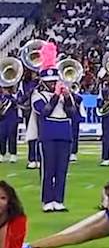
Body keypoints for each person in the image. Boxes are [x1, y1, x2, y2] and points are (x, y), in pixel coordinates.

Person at [31, 43, 76, 212]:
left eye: (54, 82)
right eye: (49, 82)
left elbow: (73, 113)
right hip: (48, 135)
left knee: (61, 170)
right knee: (48, 169)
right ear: (43, 82)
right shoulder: (38, 95)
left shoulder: (64, 95)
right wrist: (56, 96)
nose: (52, 85)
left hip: (64, 134)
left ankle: (59, 200)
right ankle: (47, 200)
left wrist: (68, 97)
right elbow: (44, 111)